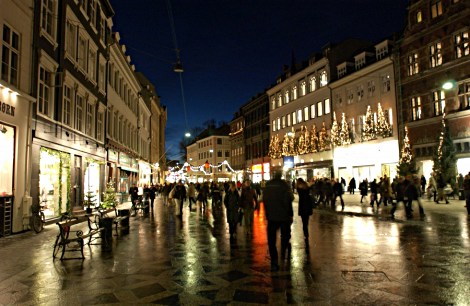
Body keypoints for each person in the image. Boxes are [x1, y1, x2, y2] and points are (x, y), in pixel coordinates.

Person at [263, 171, 294, 272]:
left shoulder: (268, 186)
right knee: (284, 237)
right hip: (283, 216)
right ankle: (283, 254)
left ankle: (274, 262)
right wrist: (290, 214)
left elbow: (265, 200)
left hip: (271, 217)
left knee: (271, 241)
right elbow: (289, 200)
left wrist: (267, 213)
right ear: (281, 176)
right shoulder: (285, 185)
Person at [296, 178, 312, 242]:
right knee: (306, 220)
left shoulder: (299, 189)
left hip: (302, 205)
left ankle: (306, 233)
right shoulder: (307, 187)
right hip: (308, 205)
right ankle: (306, 232)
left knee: (304, 221)